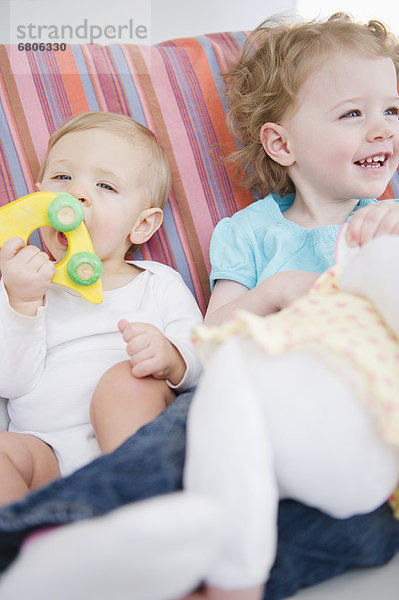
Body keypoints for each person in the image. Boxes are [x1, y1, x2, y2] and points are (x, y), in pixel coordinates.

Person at [1, 14, 399, 600]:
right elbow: (213, 344)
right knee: (191, 418)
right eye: (353, 114)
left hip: (362, 426)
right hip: (247, 412)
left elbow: (189, 351)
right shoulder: (247, 234)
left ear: (143, 223)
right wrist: (272, 295)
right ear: (281, 143)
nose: (383, 130)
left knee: (371, 531)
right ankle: (42, 544)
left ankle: (164, 567)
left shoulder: (390, 226)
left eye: (391, 110)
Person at [0, 111, 203, 504]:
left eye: (105, 185)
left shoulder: (156, 282)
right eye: (62, 178)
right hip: (48, 453)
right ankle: (19, 541)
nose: (76, 195)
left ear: (142, 225)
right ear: (38, 195)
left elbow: (203, 356)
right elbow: (10, 385)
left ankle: (141, 507)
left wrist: (172, 357)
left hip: (138, 442)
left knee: (124, 383)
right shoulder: (23, 285)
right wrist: (22, 302)